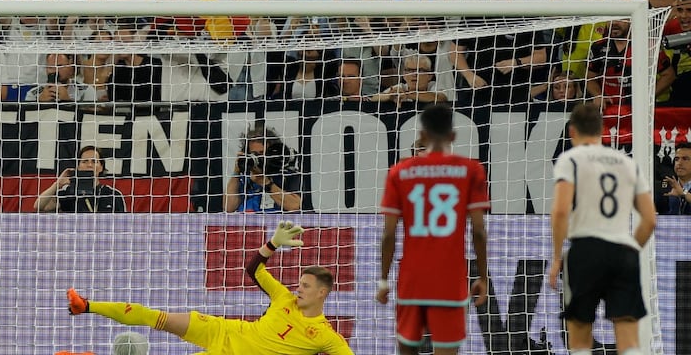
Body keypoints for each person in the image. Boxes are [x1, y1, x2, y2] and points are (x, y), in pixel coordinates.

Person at [67, 220, 351, 354]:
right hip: (224, 329)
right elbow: (253, 270)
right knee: (159, 318)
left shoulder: (326, 336)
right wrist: (272, 244)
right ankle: (87, 305)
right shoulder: (283, 297)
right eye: (299, 283)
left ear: (322, 292)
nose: (298, 288)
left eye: (305, 285)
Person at [377, 103, 490, 355]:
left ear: (422, 136)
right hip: (449, 281)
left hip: (412, 279)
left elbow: (388, 234)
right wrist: (482, 276)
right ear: (452, 136)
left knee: (407, 349)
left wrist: (383, 280)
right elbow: (479, 231)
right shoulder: (470, 170)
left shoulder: (400, 172)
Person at [548, 102, 657, 355]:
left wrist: (556, 258)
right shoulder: (626, 162)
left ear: (572, 131)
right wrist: (630, 248)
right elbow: (650, 219)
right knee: (629, 339)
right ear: (602, 131)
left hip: (586, 250)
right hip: (623, 251)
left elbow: (561, 210)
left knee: (580, 336)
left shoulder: (570, 159)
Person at [224, 124, 302, 213]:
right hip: (247, 223)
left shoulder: (287, 174)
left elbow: (295, 206)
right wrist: (236, 172)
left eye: (262, 153)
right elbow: (228, 207)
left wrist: (267, 184)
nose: (258, 157)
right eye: (254, 153)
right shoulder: (245, 177)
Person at [35, 145, 127, 213]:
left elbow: (124, 225)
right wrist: (57, 184)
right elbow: (39, 206)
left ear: (101, 167)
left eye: (94, 161)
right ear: (78, 166)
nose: (89, 165)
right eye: (85, 161)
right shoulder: (68, 192)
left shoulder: (113, 194)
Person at [660, 141, 691, 214]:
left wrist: (683, 193)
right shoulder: (665, 187)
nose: (679, 163)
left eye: (685, 159)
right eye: (677, 159)